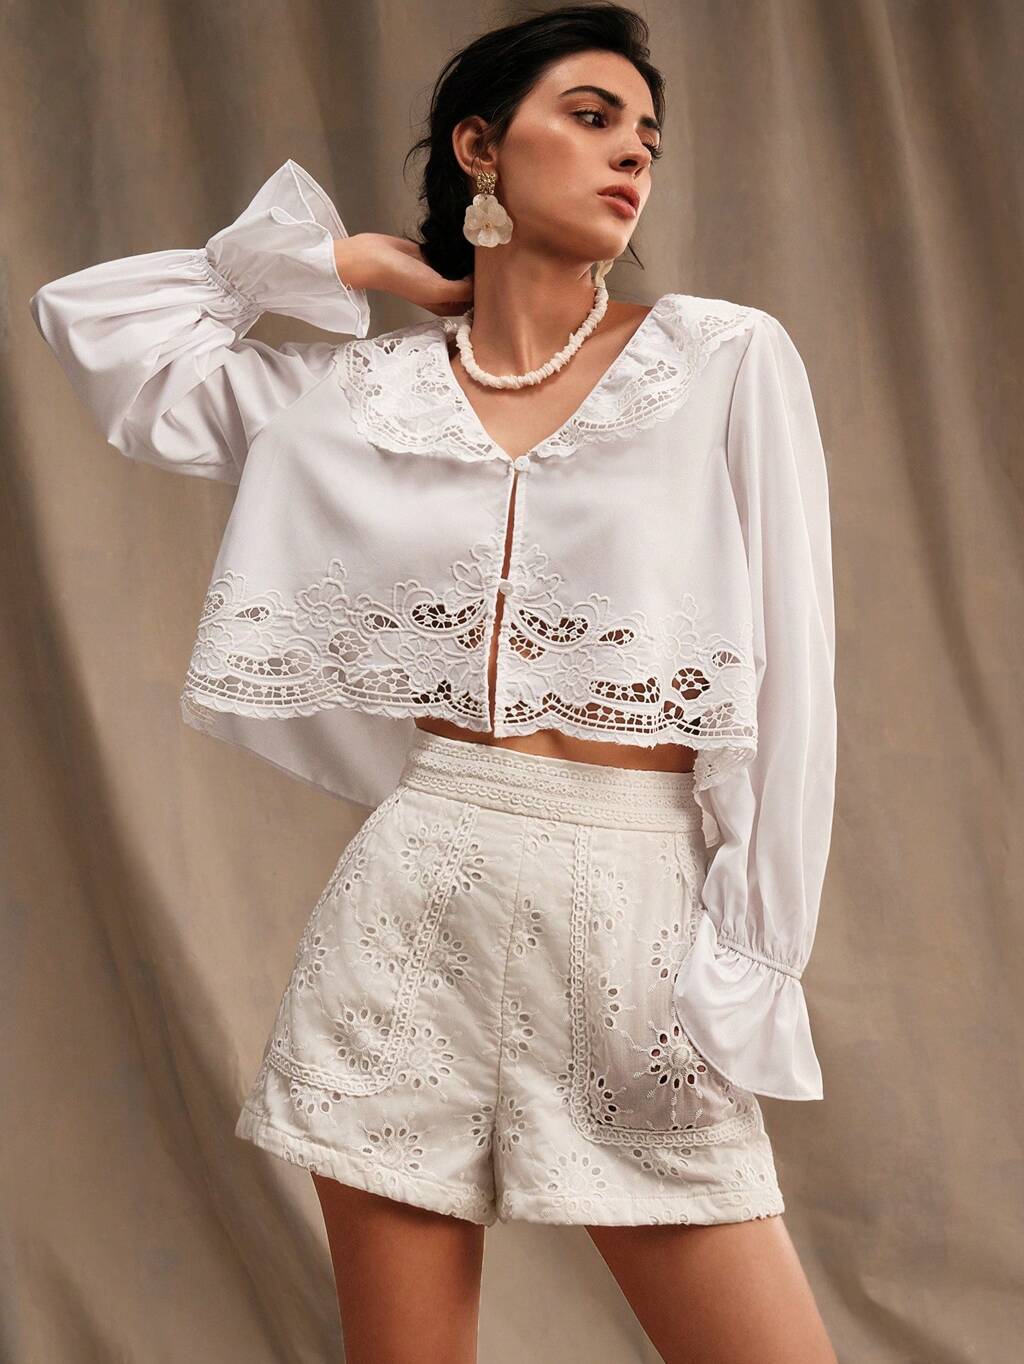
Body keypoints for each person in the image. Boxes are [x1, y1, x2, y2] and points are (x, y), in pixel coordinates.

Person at [28, 5, 840, 1361]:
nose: (633, 155)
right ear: (480, 148)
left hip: (640, 912)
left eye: (648, 136)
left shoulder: (722, 360)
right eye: (591, 117)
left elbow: (795, 678)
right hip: (411, 910)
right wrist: (338, 264)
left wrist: (750, 957)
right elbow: (106, 329)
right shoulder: (357, 398)